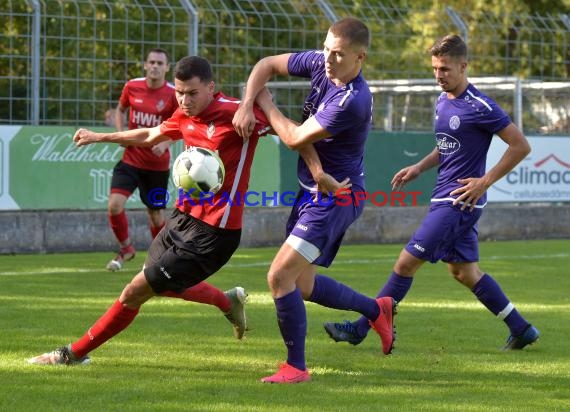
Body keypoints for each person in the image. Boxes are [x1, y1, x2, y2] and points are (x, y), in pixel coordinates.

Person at [27, 55, 271, 366]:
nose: (184, 100)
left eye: (192, 93)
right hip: (181, 220)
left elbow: (290, 132)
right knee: (162, 287)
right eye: (180, 93)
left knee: (135, 290)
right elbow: (149, 135)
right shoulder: (183, 115)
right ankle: (227, 301)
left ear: (211, 88)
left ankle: (71, 354)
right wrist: (100, 136)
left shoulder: (237, 113)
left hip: (214, 233)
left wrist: (320, 167)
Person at [323, 34, 539, 351]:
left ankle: (360, 328)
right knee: (465, 273)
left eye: (445, 69)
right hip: (444, 196)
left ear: (463, 66)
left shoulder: (480, 105)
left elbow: (521, 145)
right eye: (435, 69)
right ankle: (521, 329)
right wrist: (418, 168)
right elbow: (446, 147)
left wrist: (484, 181)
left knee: (405, 264)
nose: (439, 76)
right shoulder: (442, 100)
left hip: (459, 201)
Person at [232, 17, 396, 384]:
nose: (327, 59)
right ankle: (376, 310)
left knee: (279, 276)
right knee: (302, 286)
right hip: (313, 190)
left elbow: (294, 137)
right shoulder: (320, 62)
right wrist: (247, 103)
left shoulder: (353, 100)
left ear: (360, 58)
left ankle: (296, 367)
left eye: (338, 54)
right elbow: (265, 65)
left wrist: (264, 102)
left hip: (338, 197)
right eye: (326, 48)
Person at [106, 48, 178, 272]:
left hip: (157, 167)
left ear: (167, 68)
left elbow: (185, 124)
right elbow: (120, 110)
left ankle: (160, 258)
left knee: (156, 217)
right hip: (131, 160)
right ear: (145, 65)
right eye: (152, 62)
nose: (155, 66)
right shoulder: (132, 86)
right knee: (114, 205)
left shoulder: (174, 94)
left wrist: (166, 143)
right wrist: (121, 134)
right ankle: (126, 248)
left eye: (160, 63)